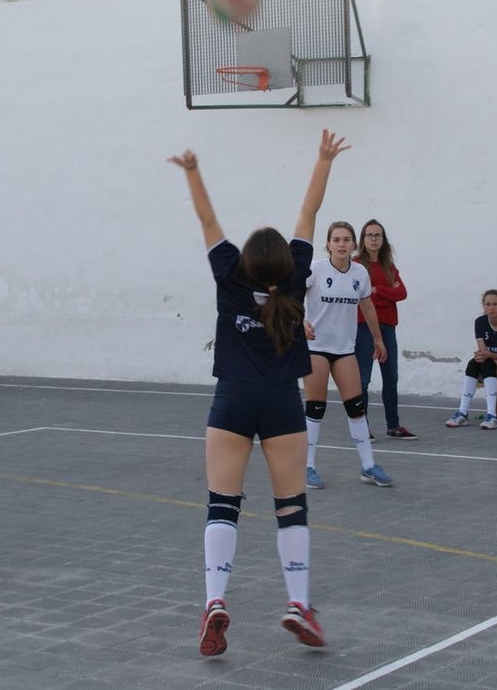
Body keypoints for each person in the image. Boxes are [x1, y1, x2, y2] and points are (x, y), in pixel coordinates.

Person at [170, 129, 347, 657]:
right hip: (281, 403)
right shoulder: (294, 281)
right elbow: (309, 214)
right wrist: (322, 160)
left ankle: (215, 601)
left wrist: (193, 172)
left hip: (231, 401)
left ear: (245, 258)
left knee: (222, 504)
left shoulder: (227, 274)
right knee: (290, 506)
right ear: (286, 265)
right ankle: (297, 603)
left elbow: (207, 221)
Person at [303, 222, 392, 489]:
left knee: (356, 407)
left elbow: (367, 305)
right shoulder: (316, 269)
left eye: (346, 240)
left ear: (354, 245)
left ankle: (368, 466)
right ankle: (306, 466)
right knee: (315, 408)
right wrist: (299, 322)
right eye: (336, 240)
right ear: (328, 244)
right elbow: (293, 297)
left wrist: (378, 338)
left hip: (344, 350)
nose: (342, 244)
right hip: (316, 348)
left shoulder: (360, 273)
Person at [354, 219, 416, 440]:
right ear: (362, 239)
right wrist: (386, 293)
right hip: (363, 328)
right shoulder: (356, 265)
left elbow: (402, 293)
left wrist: (377, 290)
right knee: (362, 379)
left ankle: (394, 426)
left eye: (377, 235)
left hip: (388, 327)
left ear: (383, 240)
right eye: (369, 235)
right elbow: (360, 298)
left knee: (391, 377)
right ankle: (362, 427)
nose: (373, 239)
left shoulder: (389, 266)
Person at [445, 290, 497, 430]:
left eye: (495, 304)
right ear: (483, 306)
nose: (491, 308)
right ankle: (462, 413)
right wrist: (480, 355)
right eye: (488, 304)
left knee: (488, 363)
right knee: (474, 363)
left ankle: (492, 415)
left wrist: (486, 355)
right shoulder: (480, 322)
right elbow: (483, 352)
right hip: (491, 362)